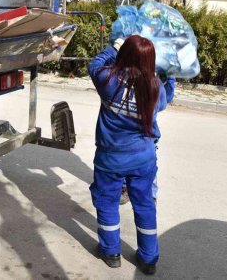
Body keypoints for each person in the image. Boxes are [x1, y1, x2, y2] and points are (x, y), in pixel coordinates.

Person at [88, 35, 175, 275]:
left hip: (110, 159)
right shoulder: (155, 87)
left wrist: (113, 47)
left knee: (107, 202)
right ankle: (149, 258)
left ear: (123, 56)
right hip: (143, 158)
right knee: (145, 204)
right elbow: (167, 99)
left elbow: (94, 65)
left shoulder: (108, 80)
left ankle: (110, 251)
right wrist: (171, 76)